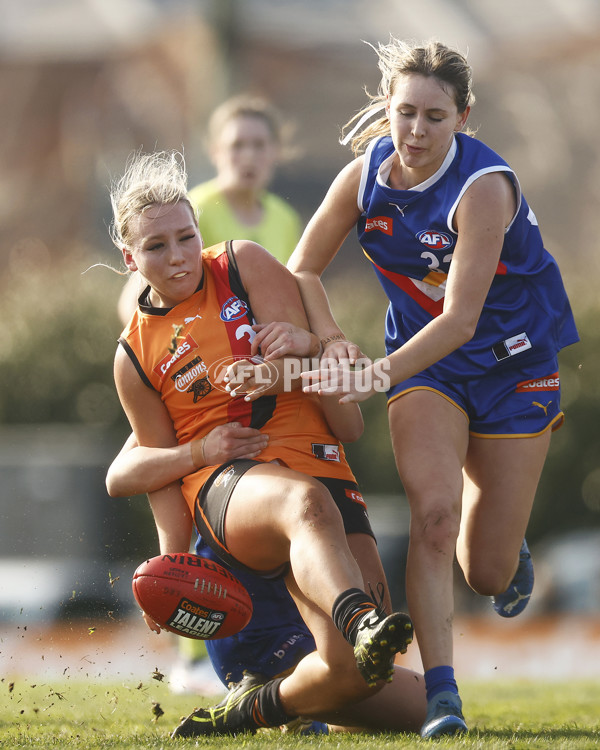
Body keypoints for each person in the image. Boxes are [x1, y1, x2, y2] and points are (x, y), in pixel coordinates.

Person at [266, 37, 579, 739]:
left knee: (488, 573)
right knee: (433, 521)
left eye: (435, 117)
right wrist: (331, 339)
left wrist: (374, 375)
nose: (415, 131)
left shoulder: (485, 187)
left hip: (513, 364)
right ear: (386, 107)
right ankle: (445, 698)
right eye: (404, 112)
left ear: (464, 117)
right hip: (425, 367)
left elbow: (462, 320)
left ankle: (506, 539)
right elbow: (301, 270)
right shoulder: (363, 175)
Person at [108, 149, 426, 737]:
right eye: (156, 247)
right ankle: (354, 617)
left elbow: (343, 417)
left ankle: (253, 709)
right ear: (130, 259)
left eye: (185, 236)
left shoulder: (244, 264)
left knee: (390, 692)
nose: (177, 256)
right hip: (234, 489)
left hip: (323, 466)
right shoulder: (134, 356)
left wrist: (313, 345)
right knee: (304, 504)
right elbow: (152, 474)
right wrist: (173, 564)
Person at [118, 94, 300, 324]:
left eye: (259, 145)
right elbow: (132, 303)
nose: (249, 156)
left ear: (276, 151)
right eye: (237, 145)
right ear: (215, 151)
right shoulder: (192, 209)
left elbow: (291, 292)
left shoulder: (285, 217)